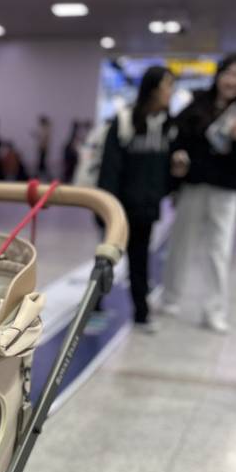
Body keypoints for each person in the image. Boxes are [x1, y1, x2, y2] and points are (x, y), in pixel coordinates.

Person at [161, 53, 236, 334]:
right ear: (217, 76)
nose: (231, 80)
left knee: (219, 252)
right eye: (227, 73)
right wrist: (179, 157)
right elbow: (177, 138)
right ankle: (170, 297)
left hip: (226, 192)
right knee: (181, 244)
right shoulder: (198, 106)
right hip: (194, 187)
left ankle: (214, 310)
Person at [99, 66, 176, 332]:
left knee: (140, 261)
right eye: (167, 86)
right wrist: (105, 209)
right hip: (120, 207)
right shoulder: (124, 120)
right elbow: (109, 168)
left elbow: (166, 170)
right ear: (153, 88)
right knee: (107, 258)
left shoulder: (168, 126)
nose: (171, 92)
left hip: (147, 207)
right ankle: (94, 304)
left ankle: (141, 313)